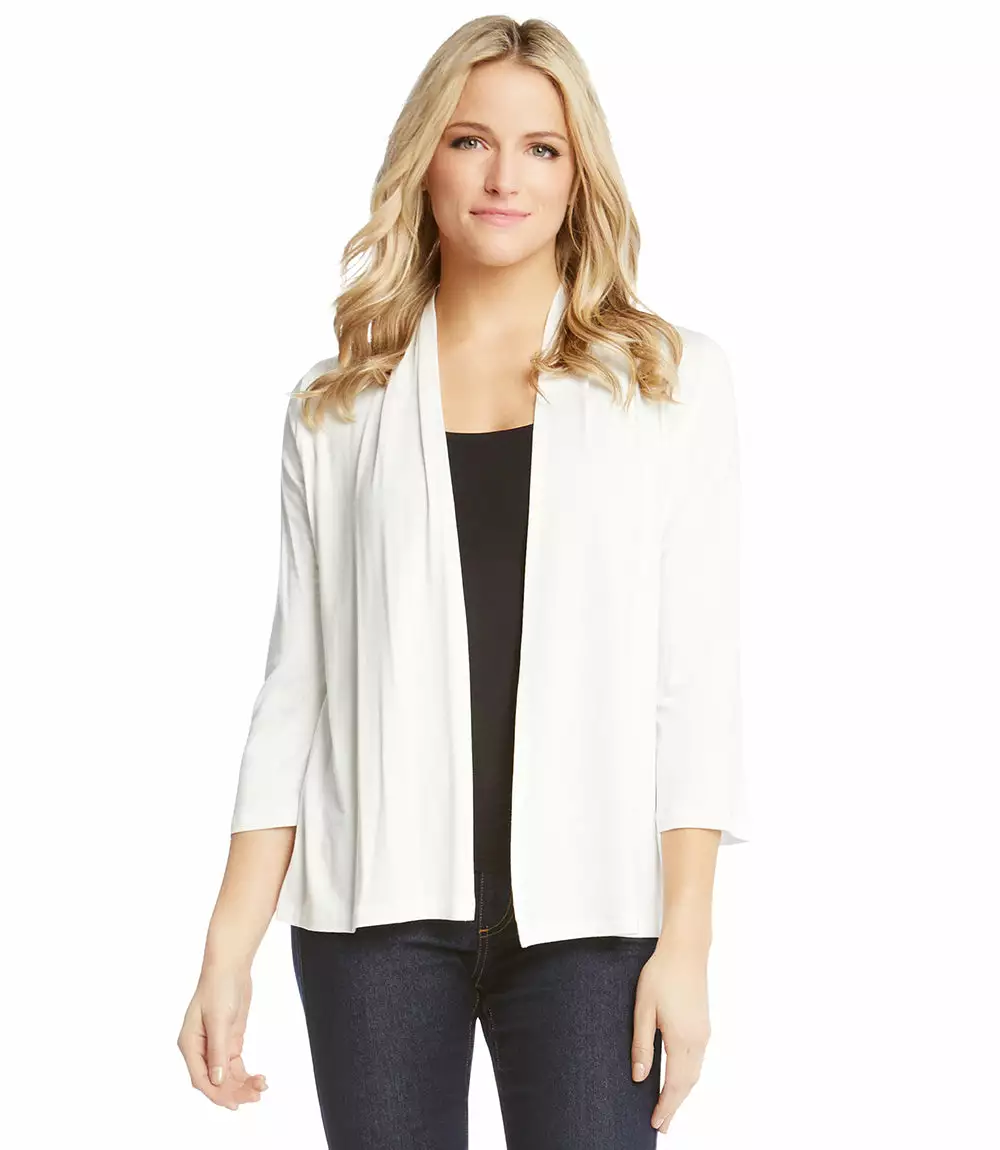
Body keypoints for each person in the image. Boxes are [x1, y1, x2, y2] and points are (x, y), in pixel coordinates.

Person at [177, 14, 751, 1148]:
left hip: (594, 929)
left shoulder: (668, 382)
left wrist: (686, 945)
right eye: (471, 140)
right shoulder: (336, 410)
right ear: (424, 161)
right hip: (371, 929)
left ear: (578, 174)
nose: (504, 178)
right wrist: (226, 947)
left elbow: (693, 683)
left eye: (541, 147)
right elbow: (296, 690)